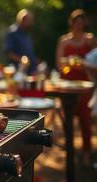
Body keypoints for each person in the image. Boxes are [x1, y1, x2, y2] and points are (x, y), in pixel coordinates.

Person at [55, 9, 96, 163]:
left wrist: (83, 65)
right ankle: (70, 151)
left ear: (84, 23)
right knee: (68, 119)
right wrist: (69, 62)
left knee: (85, 119)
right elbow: (60, 64)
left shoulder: (90, 39)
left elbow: (95, 62)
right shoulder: (64, 41)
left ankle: (86, 152)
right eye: (75, 22)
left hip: (85, 86)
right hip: (67, 86)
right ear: (71, 24)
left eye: (81, 22)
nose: (78, 25)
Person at [5, 9, 37, 75]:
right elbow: (9, 53)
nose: (31, 23)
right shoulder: (13, 33)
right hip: (18, 73)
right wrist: (22, 60)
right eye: (29, 21)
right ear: (23, 20)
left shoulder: (26, 34)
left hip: (30, 72)